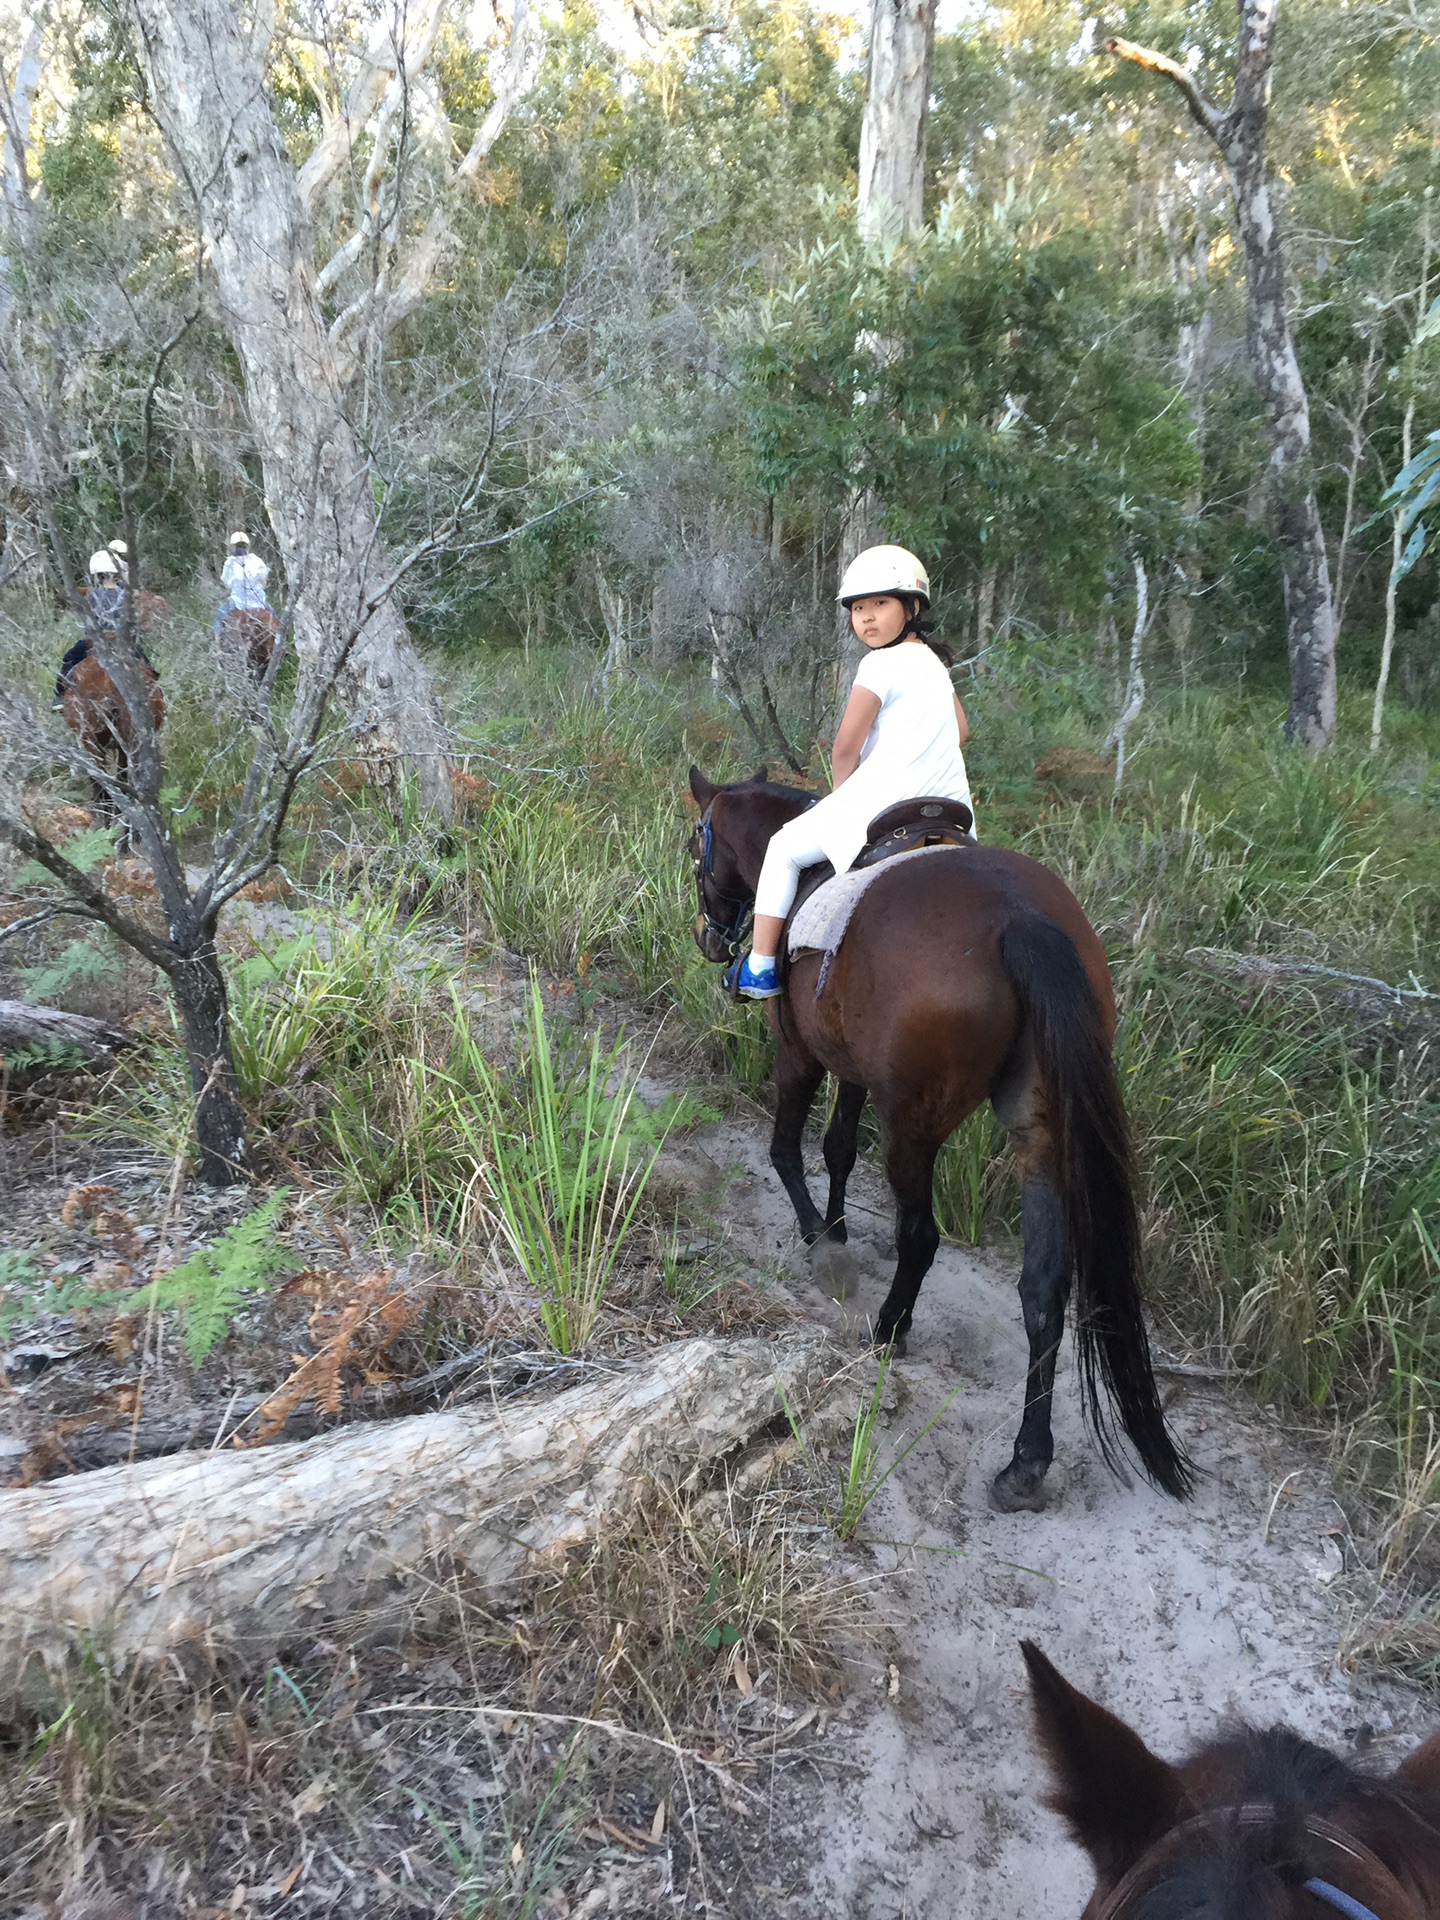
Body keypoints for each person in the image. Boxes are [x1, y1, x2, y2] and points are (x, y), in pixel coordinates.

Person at [735, 545, 974, 1000]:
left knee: (783, 849)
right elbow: (961, 732)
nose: (867, 618)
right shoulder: (933, 662)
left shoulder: (877, 664)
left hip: (885, 805)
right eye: (858, 608)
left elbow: (845, 748)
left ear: (912, 607)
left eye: (880, 604)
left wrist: (841, 799)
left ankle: (761, 968)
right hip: (951, 806)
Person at [55, 551, 129, 704]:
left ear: (99, 575)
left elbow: (88, 626)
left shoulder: (91, 596)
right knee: (147, 666)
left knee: (69, 657)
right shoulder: (126, 596)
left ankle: (60, 697)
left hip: (96, 643)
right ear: (117, 574)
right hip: (123, 644)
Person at [214, 529, 272, 636]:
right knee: (275, 617)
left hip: (238, 602)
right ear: (247, 546)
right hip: (258, 601)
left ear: (233, 547)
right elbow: (264, 580)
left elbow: (228, 584)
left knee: (219, 617)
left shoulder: (230, 563)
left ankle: (216, 645)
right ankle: (281, 642)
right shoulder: (256, 560)